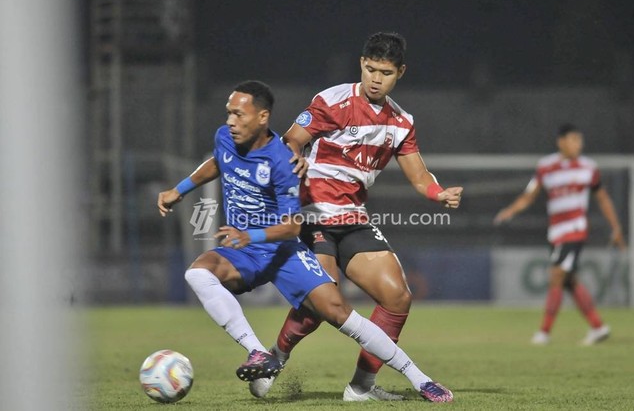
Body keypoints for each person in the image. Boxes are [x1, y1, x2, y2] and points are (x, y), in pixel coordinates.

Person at [157, 80, 454, 402]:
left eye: (239, 115)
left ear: (262, 117)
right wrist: (179, 190)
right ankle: (258, 353)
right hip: (247, 249)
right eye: (229, 113)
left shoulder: (283, 163)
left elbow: (291, 227)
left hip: (284, 250)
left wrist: (249, 235)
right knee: (198, 272)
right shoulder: (225, 137)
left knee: (337, 311)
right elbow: (218, 161)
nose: (230, 121)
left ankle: (419, 380)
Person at [249, 32, 463, 402]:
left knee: (397, 297)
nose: (376, 78)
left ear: (400, 73)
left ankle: (361, 388)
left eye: (385, 72)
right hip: (311, 212)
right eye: (370, 69)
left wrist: (437, 192)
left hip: (352, 219)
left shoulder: (401, 122)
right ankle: (275, 359)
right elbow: (292, 139)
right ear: (361, 64)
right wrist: (293, 157)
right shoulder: (332, 101)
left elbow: (419, 176)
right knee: (322, 301)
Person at [494, 123, 626, 345]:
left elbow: (602, 198)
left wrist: (616, 227)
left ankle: (543, 333)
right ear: (561, 142)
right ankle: (598, 326)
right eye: (573, 140)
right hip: (556, 232)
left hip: (575, 230)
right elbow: (530, 195)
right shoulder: (547, 167)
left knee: (556, 276)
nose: (578, 144)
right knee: (569, 281)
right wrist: (510, 210)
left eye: (580, 140)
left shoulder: (588, 168)